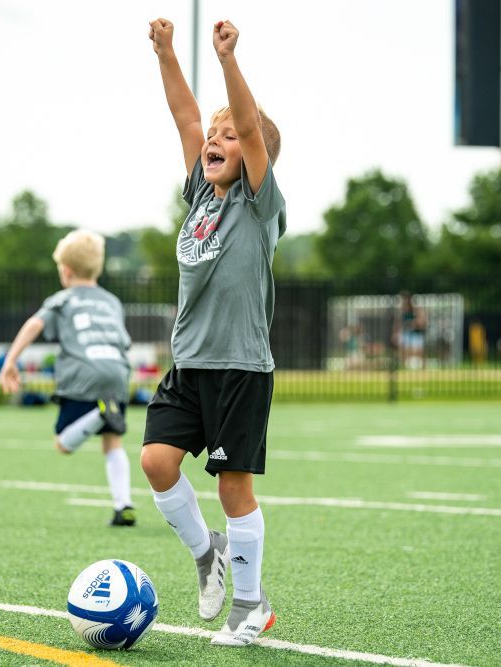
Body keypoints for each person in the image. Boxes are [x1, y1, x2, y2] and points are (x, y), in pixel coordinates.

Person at [142, 17, 284, 647]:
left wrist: (229, 59)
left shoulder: (258, 201)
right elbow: (184, 117)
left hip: (240, 366)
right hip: (189, 362)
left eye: (230, 136)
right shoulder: (200, 191)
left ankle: (251, 607)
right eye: (215, 135)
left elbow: (250, 128)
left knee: (233, 486)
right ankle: (208, 555)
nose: (216, 139)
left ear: (256, 156)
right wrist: (168, 52)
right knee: (155, 461)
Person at [0, 230, 136, 527]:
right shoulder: (112, 301)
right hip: (117, 374)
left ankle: (100, 414)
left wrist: (11, 360)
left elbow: (34, 324)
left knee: (63, 443)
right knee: (113, 442)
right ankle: (124, 505)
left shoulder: (62, 299)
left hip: (84, 376)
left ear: (67, 270)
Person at [394, 291, 427, 369]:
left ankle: (422, 366)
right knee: (402, 349)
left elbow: (423, 322)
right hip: (405, 334)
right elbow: (397, 325)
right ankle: (404, 365)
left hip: (416, 334)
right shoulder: (401, 312)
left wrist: (415, 323)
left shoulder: (417, 310)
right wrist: (395, 334)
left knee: (418, 351)